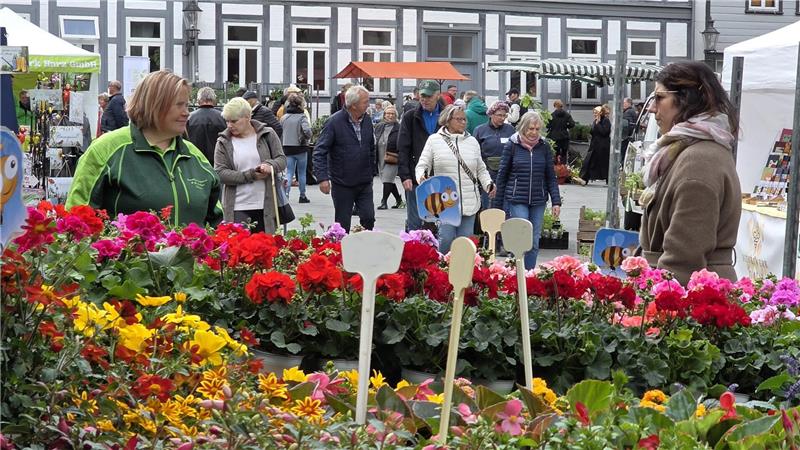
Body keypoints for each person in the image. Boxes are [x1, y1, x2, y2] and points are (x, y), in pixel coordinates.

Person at [66, 70, 221, 225]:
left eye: (187, 105)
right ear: (154, 104)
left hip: (191, 250)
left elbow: (216, 221)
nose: (186, 113)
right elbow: (76, 220)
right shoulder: (106, 149)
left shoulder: (194, 156)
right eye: (179, 105)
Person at [639, 61, 740, 284]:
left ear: (686, 99)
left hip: (690, 295)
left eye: (659, 97)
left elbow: (683, 259)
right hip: (691, 289)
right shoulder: (685, 150)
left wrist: (656, 302)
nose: (652, 108)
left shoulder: (698, 160)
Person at [415, 105, 494, 255]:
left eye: (465, 119)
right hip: (446, 201)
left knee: (466, 242)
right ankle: (443, 271)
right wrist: (421, 177)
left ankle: (462, 275)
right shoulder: (434, 140)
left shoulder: (472, 142)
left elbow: (481, 169)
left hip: (469, 200)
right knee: (446, 239)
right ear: (447, 120)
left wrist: (488, 184)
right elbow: (422, 164)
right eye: (459, 119)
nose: (463, 122)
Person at [492, 111, 562, 269]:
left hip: (538, 199)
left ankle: (528, 275)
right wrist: (498, 206)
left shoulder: (544, 146)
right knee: (522, 238)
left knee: (534, 241)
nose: (534, 132)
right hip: (517, 199)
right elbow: (502, 175)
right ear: (523, 128)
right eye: (531, 128)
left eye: (537, 129)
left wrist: (556, 201)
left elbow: (550, 176)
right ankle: (518, 274)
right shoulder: (512, 145)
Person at [214, 97, 287, 234]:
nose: (229, 125)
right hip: (237, 206)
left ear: (247, 117)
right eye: (227, 121)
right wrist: (250, 175)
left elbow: (282, 159)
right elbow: (219, 173)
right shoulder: (223, 141)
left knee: (266, 249)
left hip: (266, 205)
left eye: (234, 121)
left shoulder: (267, 134)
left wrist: (270, 165)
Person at [313, 85, 376, 232]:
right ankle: (341, 252)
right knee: (342, 223)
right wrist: (322, 178)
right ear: (353, 105)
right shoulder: (334, 122)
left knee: (368, 218)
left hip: (364, 181)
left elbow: (371, 147)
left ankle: (366, 249)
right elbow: (319, 151)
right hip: (343, 182)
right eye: (365, 102)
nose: (368, 104)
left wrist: (371, 170)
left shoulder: (367, 121)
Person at [398, 80, 444, 231]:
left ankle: (437, 254)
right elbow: (403, 148)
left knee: (439, 220)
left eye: (429, 96)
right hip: (416, 175)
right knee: (415, 222)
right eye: (422, 96)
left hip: (441, 176)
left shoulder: (447, 116)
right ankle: (414, 251)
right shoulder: (411, 117)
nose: (424, 99)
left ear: (438, 96)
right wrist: (405, 176)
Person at [473, 101, 515, 208]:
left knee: (505, 206)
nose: (502, 118)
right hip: (487, 173)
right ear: (491, 114)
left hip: (506, 173)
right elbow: (475, 153)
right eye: (499, 115)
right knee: (488, 205)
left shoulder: (510, 129)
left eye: (504, 115)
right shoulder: (480, 130)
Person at [281, 93, 312, 204]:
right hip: (301, 147)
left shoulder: (284, 117)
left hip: (287, 147)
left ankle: (286, 195)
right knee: (301, 172)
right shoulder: (302, 117)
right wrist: (308, 137)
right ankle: (302, 195)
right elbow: (307, 131)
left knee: (289, 172)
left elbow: (280, 131)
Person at [187, 87, 227, 163]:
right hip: (218, 161)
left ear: (198, 100)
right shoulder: (223, 117)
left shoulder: (189, 118)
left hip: (195, 160)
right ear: (214, 100)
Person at [375, 104, 403, 210]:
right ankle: (399, 200)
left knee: (387, 179)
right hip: (380, 156)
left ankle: (384, 202)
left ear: (396, 115)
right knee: (388, 181)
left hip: (393, 157)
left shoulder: (399, 128)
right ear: (384, 115)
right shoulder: (379, 126)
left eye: (392, 114)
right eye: (388, 113)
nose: (390, 116)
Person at [579, 105, 611, 184]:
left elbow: (604, 132)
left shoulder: (606, 121)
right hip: (595, 145)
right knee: (588, 162)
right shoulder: (596, 121)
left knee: (604, 164)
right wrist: (596, 123)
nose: (594, 114)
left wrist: (598, 124)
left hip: (602, 146)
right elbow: (592, 131)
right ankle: (584, 178)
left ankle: (608, 179)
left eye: (596, 113)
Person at [547, 99, 575, 164]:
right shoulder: (567, 115)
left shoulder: (552, 115)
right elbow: (572, 124)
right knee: (564, 154)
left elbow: (547, 125)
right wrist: (566, 127)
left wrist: (552, 126)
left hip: (554, 137)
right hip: (564, 137)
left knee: (556, 153)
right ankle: (563, 167)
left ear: (555, 106)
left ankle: (556, 168)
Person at [621, 97, 638, 165]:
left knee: (624, 154)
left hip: (626, 138)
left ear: (629, 103)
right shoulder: (631, 111)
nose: (622, 104)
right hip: (629, 137)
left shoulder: (628, 112)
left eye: (624, 103)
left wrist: (624, 135)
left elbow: (628, 125)